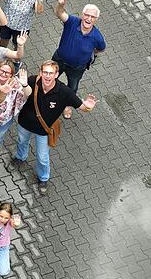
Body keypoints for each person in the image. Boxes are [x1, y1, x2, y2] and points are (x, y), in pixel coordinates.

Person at [12, 60, 98, 193]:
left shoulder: (64, 92)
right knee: (22, 141)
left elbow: (82, 107)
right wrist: (23, 84)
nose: (47, 76)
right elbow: (26, 93)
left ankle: (43, 178)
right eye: (45, 72)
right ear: (40, 73)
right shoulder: (32, 81)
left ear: (56, 75)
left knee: (42, 156)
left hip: (43, 130)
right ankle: (20, 157)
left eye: (51, 73)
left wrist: (88, 107)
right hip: (25, 123)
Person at [52, 0, 106, 119]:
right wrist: (61, 4)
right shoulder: (72, 22)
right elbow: (60, 13)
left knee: (73, 87)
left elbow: (100, 49)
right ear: (82, 15)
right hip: (59, 59)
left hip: (77, 68)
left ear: (96, 20)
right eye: (87, 15)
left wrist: (92, 54)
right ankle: (41, 94)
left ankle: (68, 105)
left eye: (92, 17)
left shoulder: (97, 37)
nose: (89, 18)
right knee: (49, 76)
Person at [0, 62, 31, 163]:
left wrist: (25, 84)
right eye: (2, 71)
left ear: (12, 74)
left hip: (3, 120)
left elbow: (28, 93)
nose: (4, 74)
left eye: (7, 73)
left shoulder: (14, 84)